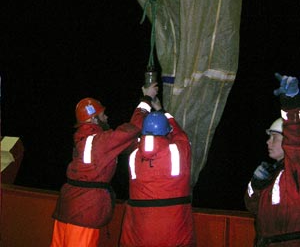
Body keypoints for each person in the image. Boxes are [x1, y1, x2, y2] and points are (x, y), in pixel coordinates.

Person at [50, 83, 158, 247]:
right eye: (103, 114)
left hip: (68, 209)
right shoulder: (99, 142)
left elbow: (123, 144)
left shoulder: (84, 139)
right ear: (93, 119)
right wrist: (146, 100)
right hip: (84, 214)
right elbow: (133, 128)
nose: (106, 117)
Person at [119, 94, 196, 247]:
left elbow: (134, 126)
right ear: (168, 131)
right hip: (175, 232)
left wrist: (145, 100)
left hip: (138, 232)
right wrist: (162, 110)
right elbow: (180, 135)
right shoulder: (179, 150)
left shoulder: (134, 154)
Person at [244, 73, 300, 247]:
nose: (268, 142)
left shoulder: (296, 169)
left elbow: (295, 136)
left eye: (274, 137)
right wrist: (256, 183)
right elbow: (251, 206)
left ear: (287, 140)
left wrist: (291, 102)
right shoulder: (273, 173)